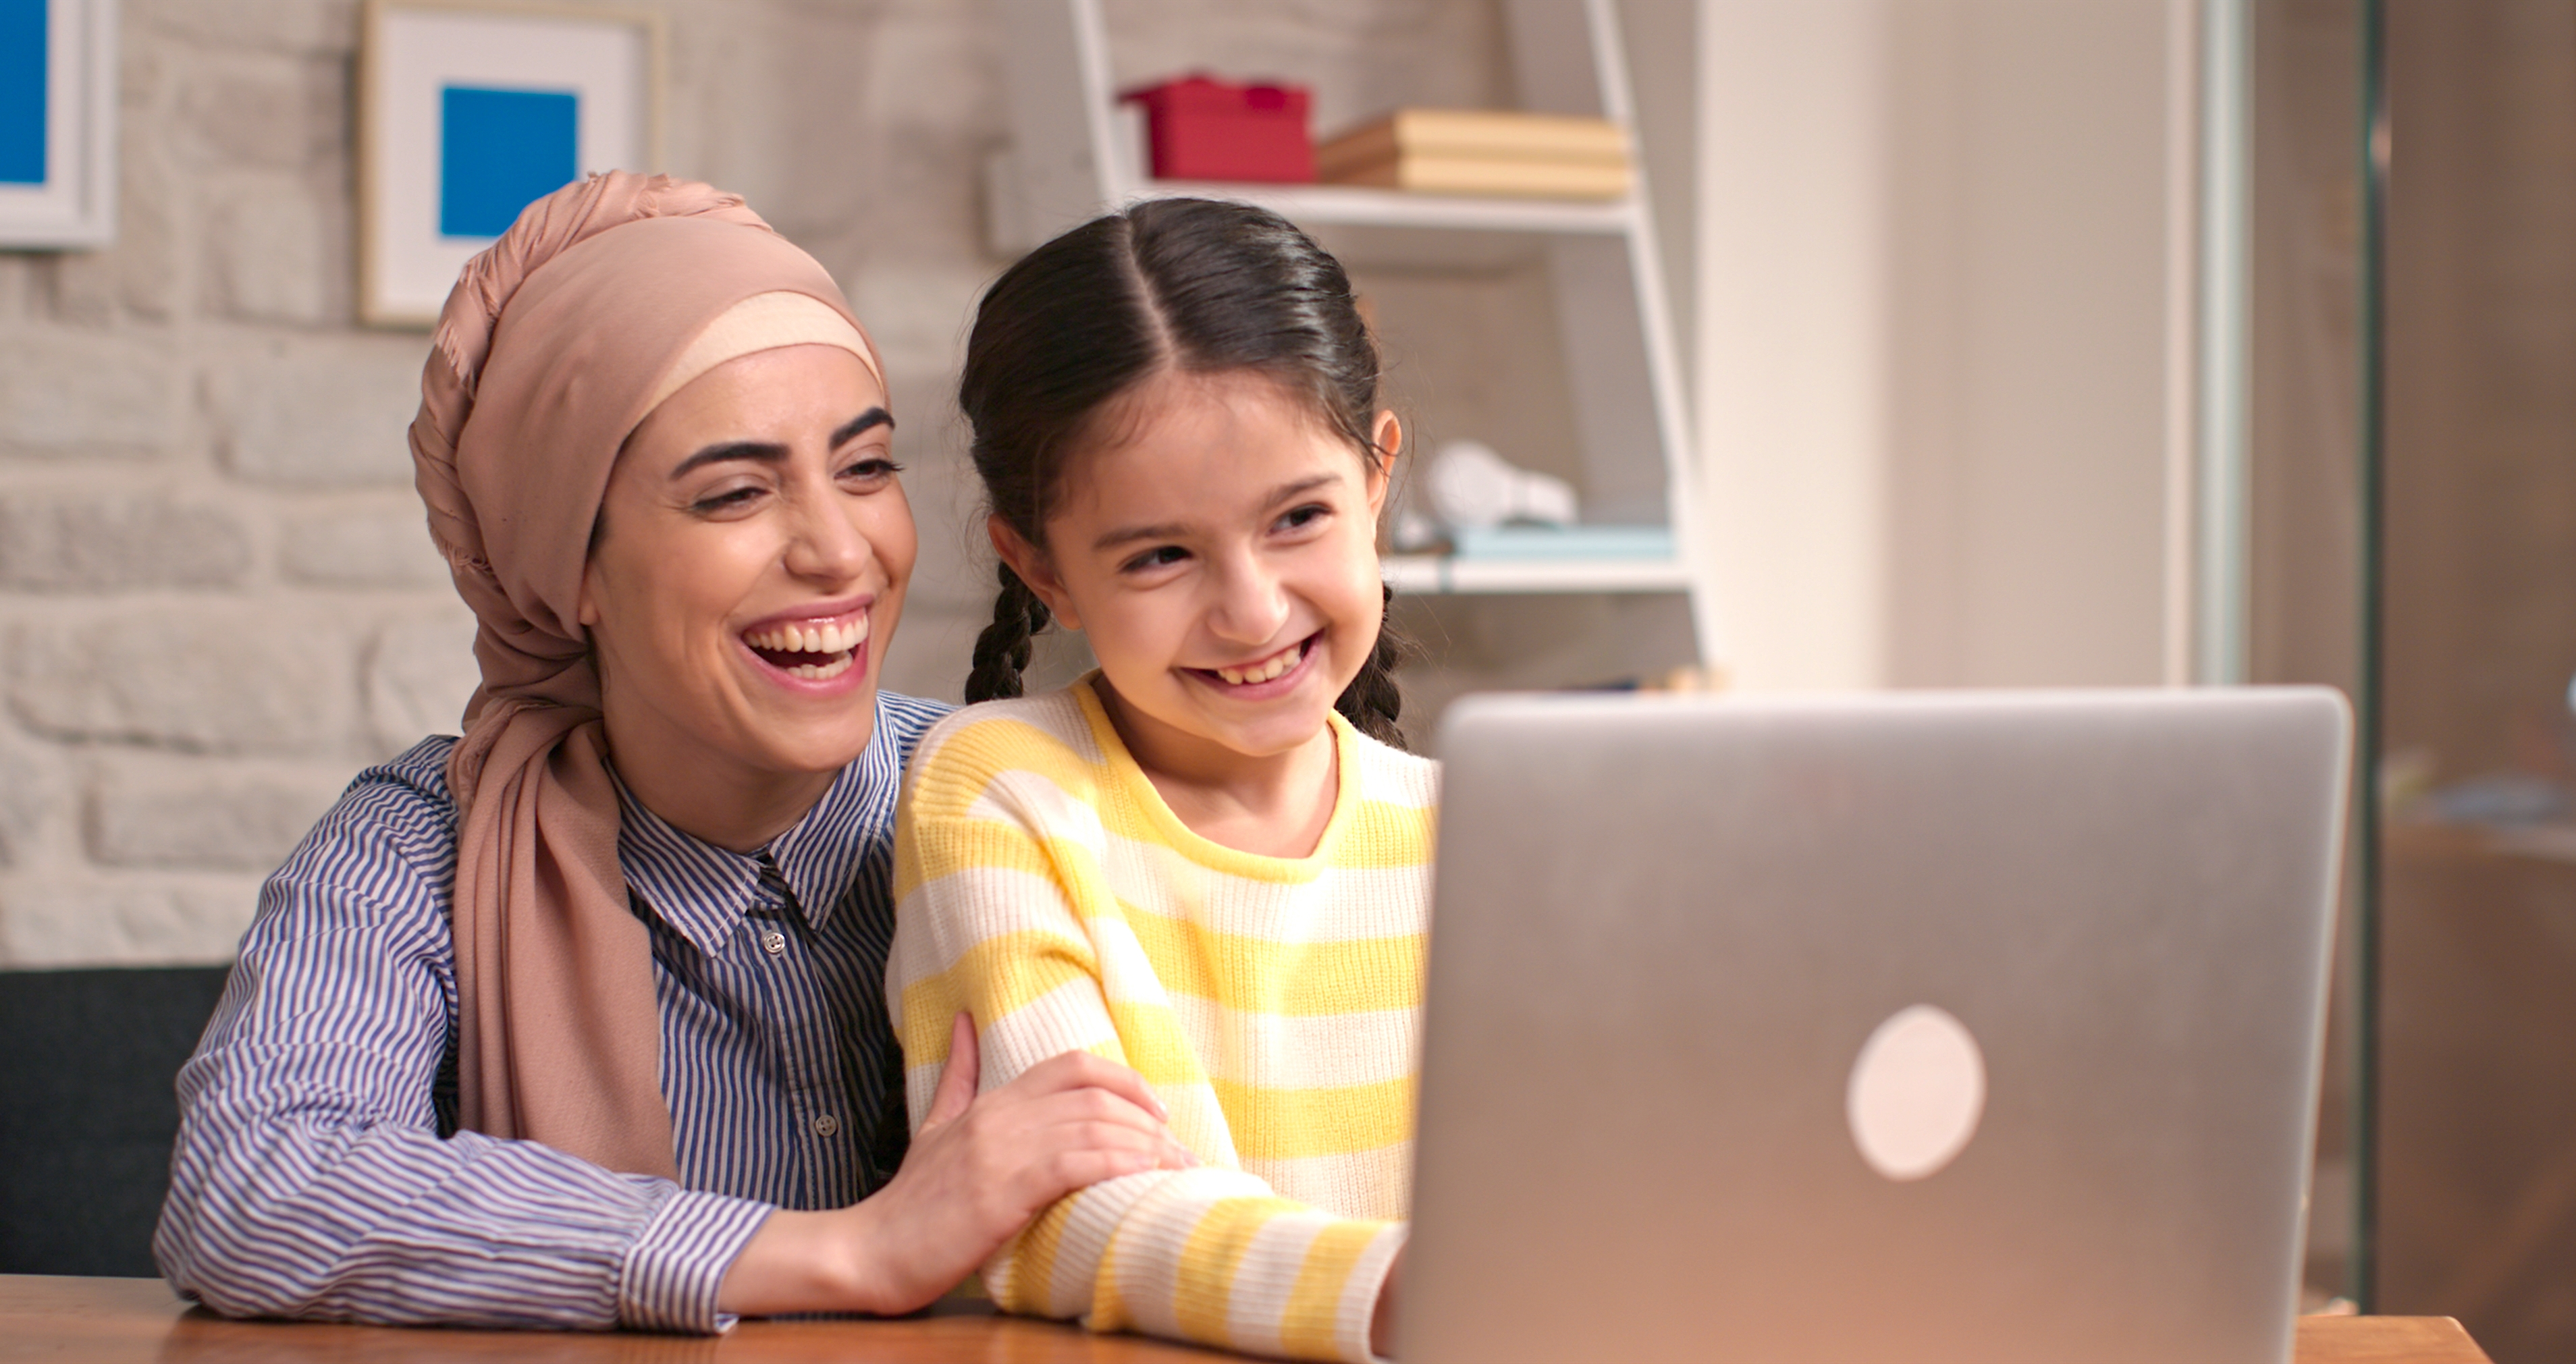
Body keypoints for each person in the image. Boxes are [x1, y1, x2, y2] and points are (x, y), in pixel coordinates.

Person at [154, 173, 1193, 1332]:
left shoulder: (1017, 804)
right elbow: (252, 1190)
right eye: (736, 492)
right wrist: (853, 1251)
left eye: (864, 467)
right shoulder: (419, 849)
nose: (839, 550)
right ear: (571, 569)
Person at [886, 198, 1434, 1363]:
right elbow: (1059, 1215)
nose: (1251, 610)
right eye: (1161, 555)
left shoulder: (1474, 833)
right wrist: (1407, 1289)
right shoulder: (1001, 792)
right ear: (1042, 567)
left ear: (1377, 476)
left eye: (1298, 518)